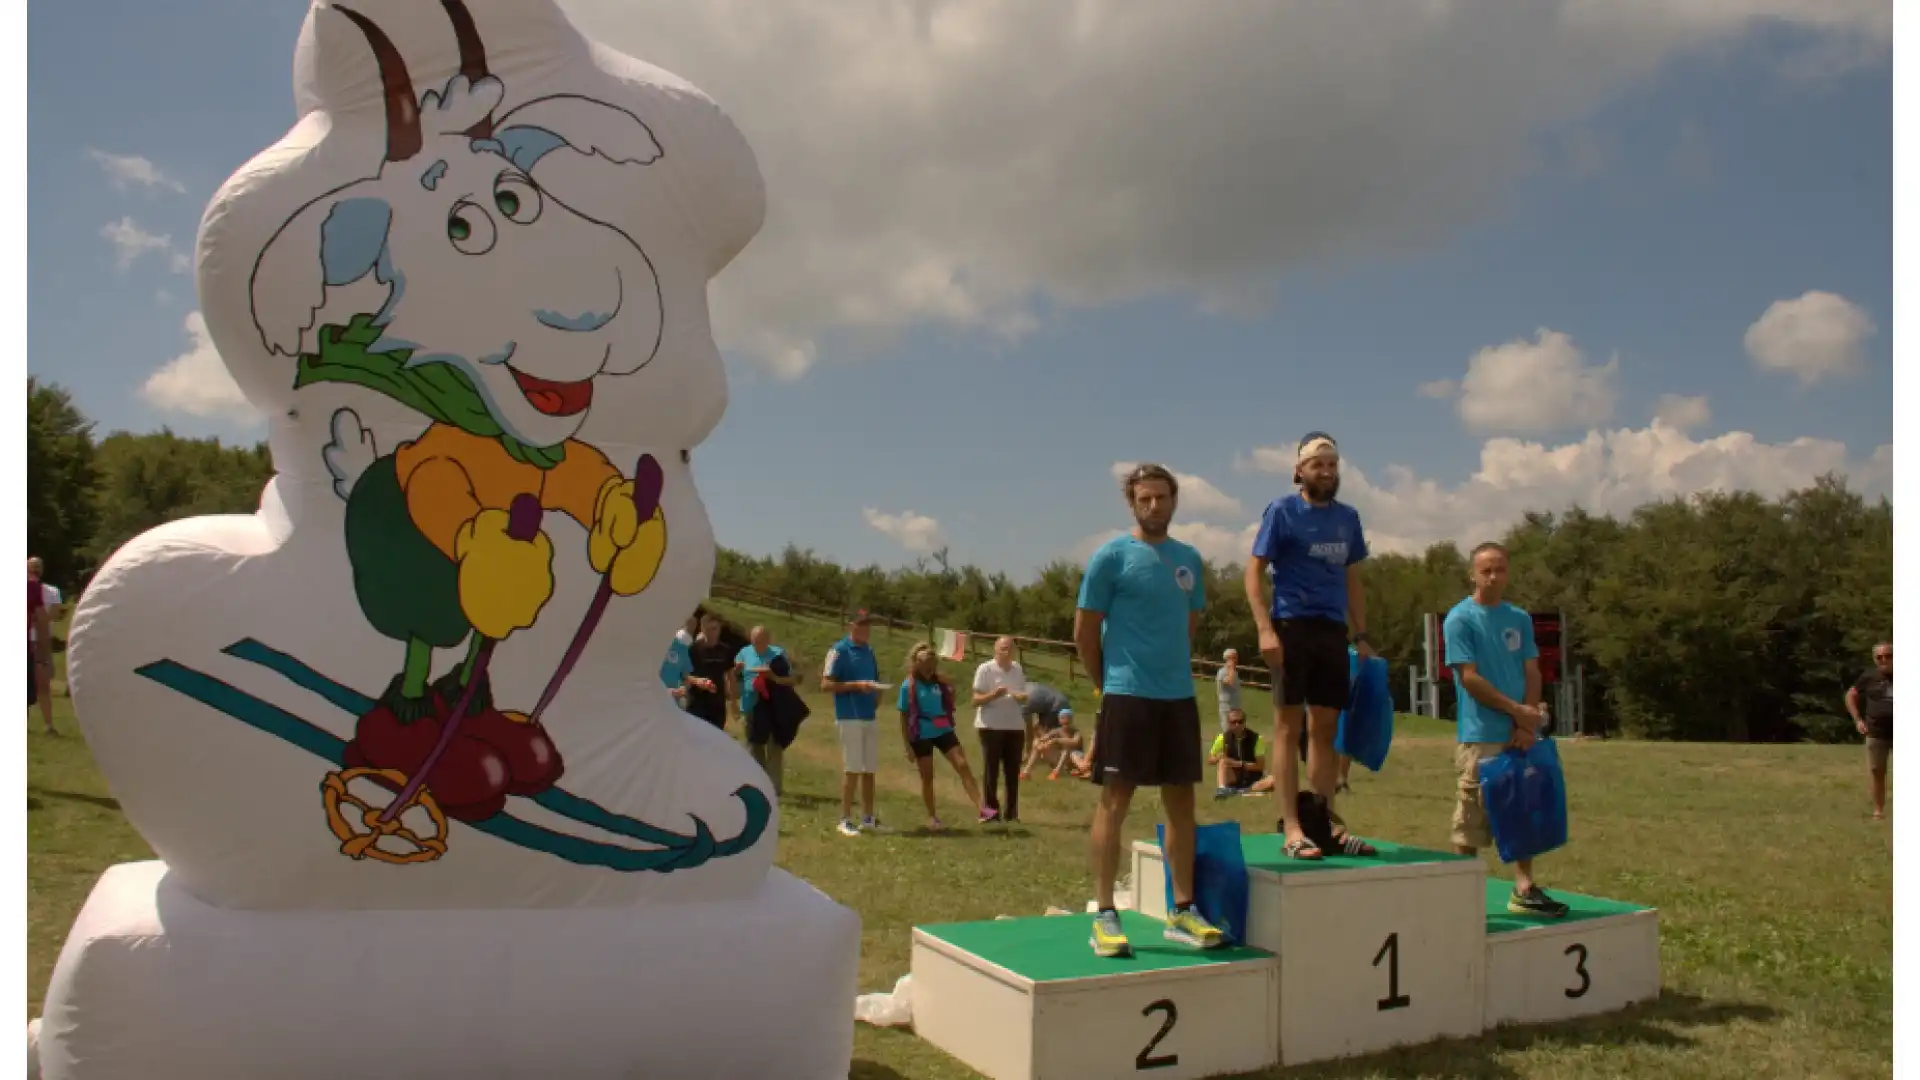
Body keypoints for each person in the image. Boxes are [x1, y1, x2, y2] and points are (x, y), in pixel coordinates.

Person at [1078, 462, 1226, 958]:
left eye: (1162, 498)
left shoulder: (1188, 560)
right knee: (1114, 801)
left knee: (1181, 803)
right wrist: (1109, 689)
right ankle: (1103, 914)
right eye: (1145, 499)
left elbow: (1188, 624)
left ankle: (1181, 910)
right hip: (1126, 696)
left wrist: (1170, 670)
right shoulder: (1112, 557)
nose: (1154, 506)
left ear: (1174, 501)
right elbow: (1084, 632)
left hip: (1177, 698)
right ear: (1132, 502)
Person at [1243, 431, 1377, 861]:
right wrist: (1265, 629)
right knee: (1288, 726)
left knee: (1325, 729)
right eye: (1318, 464)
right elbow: (1254, 573)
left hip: (1331, 630)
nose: (1327, 471)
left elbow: (1352, 578)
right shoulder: (1282, 511)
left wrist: (1361, 633)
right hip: (1290, 626)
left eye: (1333, 464)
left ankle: (1325, 823)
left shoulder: (1348, 518)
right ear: (1299, 470)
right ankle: (1293, 827)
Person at [1444, 542, 1569, 918]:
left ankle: (1525, 887)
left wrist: (1526, 721)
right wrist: (1517, 711)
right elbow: (1470, 678)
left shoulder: (1519, 618)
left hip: (1520, 732)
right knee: (1471, 817)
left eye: (1500, 568)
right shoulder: (1459, 619)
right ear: (1473, 574)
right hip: (1480, 733)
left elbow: (1531, 669)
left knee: (1524, 808)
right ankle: (1461, 896)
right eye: (1486, 570)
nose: (1494, 576)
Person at [898, 641, 994, 830]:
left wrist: (950, 689)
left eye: (932, 667)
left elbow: (951, 696)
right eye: (925, 667)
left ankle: (982, 809)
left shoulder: (940, 681)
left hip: (943, 728)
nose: (928, 671)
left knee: (963, 765)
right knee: (927, 776)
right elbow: (903, 714)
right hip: (921, 733)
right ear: (916, 664)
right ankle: (932, 816)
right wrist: (907, 745)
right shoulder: (908, 686)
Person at [821, 610, 886, 835]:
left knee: (869, 769)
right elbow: (826, 684)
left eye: (868, 626)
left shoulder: (869, 651)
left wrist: (877, 692)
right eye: (861, 625)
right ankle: (845, 819)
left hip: (869, 716)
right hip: (849, 716)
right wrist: (855, 685)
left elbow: (875, 677)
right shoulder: (838, 651)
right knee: (852, 768)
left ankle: (868, 817)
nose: (865, 630)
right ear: (851, 626)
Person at [971, 636, 1029, 822]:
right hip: (991, 726)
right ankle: (990, 812)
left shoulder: (1017, 669)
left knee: (1012, 772)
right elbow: (975, 700)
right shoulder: (985, 669)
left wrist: (1020, 696)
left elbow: (1023, 694)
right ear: (995, 650)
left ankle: (1012, 813)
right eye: (1003, 648)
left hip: (1014, 726)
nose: (1006, 651)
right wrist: (994, 695)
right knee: (991, 770)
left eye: (1010, 648)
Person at [734, 626, 795, 795]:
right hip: (751, 705)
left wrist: (773, 677)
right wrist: (736, 671)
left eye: (760, 641)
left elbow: (792, 679)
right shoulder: (744, 652)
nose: (756, 644)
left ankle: (774, 788)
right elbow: (734, 675)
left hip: (773, 707)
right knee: (754, 746)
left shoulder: (778, 654)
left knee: (774, 746)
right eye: (754, 641)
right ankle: (757, 785)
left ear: (768, 640)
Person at [1847, 641, 1893, 820]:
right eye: (1879, 657)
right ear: (1875, 659)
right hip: (1876, 733)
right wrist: (1858, 720)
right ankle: (1878, 811)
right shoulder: (1869, 676)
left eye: (1888, 656)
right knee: (1876, 771)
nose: (1884, 660)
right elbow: (1851, 695)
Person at [683, 613, 734, 730]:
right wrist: (697, 681)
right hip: (696, 702)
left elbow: (730, 675)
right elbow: (684, 674)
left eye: (715, 629)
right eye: (709, 629)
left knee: (715, 740)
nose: (713, 633)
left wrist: (733, 702)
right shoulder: (693, 650)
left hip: (717, 703)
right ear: (702, 629)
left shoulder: (725, 650)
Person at [1211, 707, 1274, 797]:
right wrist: (1219, 757)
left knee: (1275, 779)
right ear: (1229, 723)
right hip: (1233, 776)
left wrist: (1240, 764)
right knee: (1222, 762)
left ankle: (1241, 791)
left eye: (1240, 722)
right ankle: (1222, 789)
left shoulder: (1256, 739)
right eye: (1233, 722)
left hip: (1253, 777)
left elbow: (1260, 766)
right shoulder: (1223, 738)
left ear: (1244, 723)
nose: (1237, 725)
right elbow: (1210, 759)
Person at [1018, 682, 1072, 778]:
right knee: (1044, 734)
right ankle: (1046, 756)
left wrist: (1027, 750)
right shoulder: (1026, 686)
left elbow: (1028, 728)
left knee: (1046, 736)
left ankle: (1056, 761)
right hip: (1058, 701)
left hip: (1055, 706)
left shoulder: (1023, 702)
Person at [27, 560, 53, 735]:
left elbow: (42, 620)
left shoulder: (34, 588)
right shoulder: (33, 588)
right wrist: (46, 656)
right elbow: (42, 620)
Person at [1214, 648, 1243, 732]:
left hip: (1235, 707)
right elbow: (1229, 682)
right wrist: (1231, 669)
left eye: (1236, 658)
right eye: (1233, 658)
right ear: (1227, 659)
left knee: (1236, 732)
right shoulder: (1222, 672)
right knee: (1227, 732)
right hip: (1227, 708)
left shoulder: (1234, 672)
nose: (1235, 660)